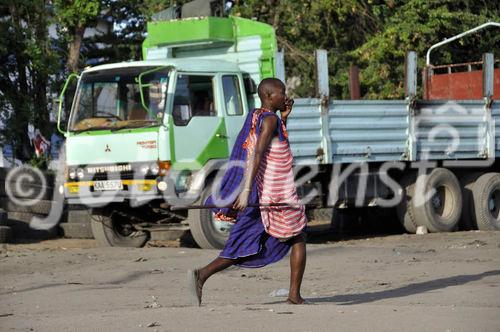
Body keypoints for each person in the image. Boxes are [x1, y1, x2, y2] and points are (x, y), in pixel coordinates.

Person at [187, 78, 309, 306]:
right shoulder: (269, 119)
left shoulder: (260, 116)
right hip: (275, 194)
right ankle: (294, 296)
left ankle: (202, 275)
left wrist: (285, 119)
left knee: (250, 241)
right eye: (282, 92)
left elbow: (274, 147)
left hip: (267, 192)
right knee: (297, 235)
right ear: (269, 96)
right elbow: (257, 154)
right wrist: (245, 191)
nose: (285, 96)